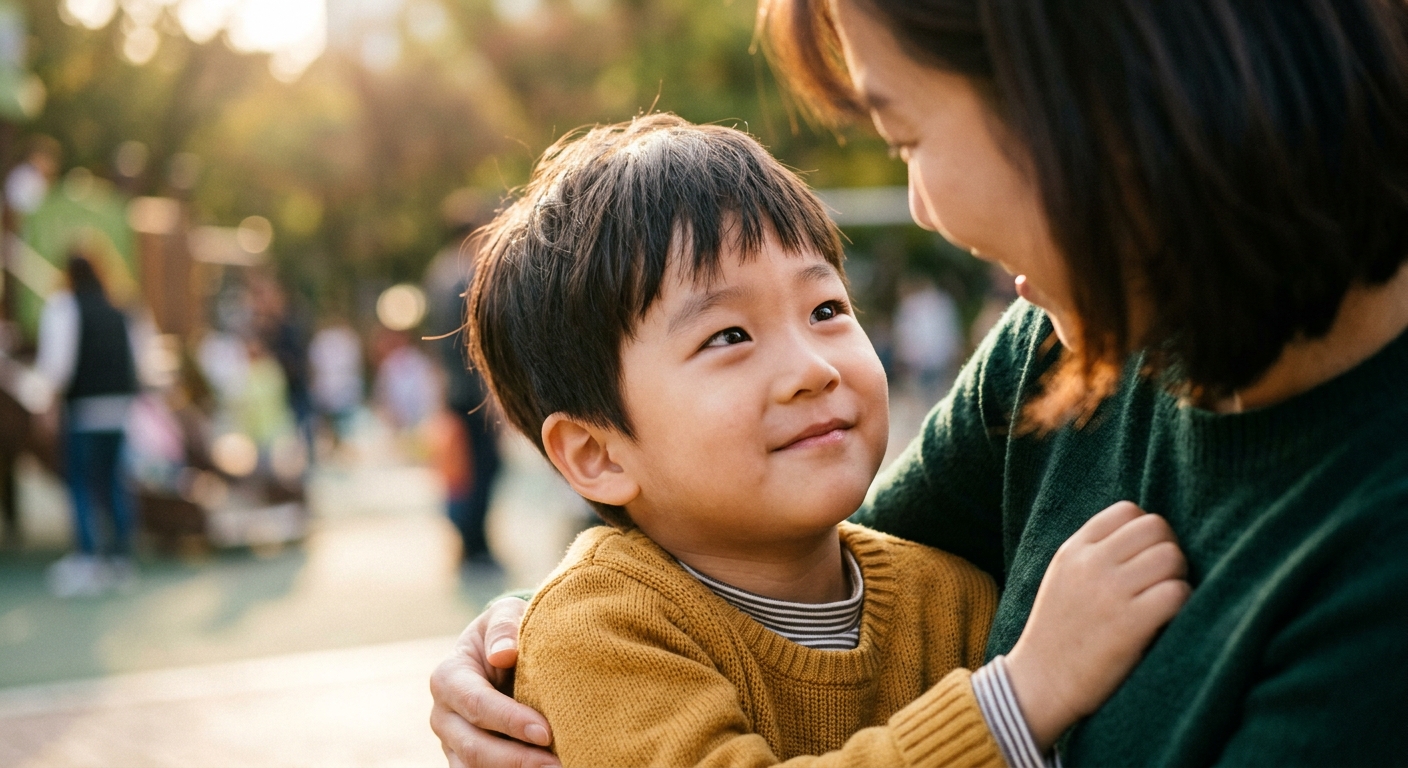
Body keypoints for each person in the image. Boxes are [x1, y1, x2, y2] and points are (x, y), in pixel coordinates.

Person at [431, 1, 1408, 766]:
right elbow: (745, 572)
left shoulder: (1368, 560)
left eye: (904, 135)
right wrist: (534, 654)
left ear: (1089, 98)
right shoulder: (1055, 347)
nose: (920, 206)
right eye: (730, 333)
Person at [452, 114, 1188, 767]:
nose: (812, 368)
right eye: (729, 335)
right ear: (598, 455)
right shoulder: (601, 636)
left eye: (827, 308)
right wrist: (1020, 698)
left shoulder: (955, 598)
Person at [35, 254, 142, 597]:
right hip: (119, 408)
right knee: (113, 482)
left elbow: (58, 364)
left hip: (84, 408)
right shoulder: (123, 308)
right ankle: (120, 558)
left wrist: (47, 404)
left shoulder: (66, 307)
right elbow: (140, 359)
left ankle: (88, 559)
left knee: (81, 483)